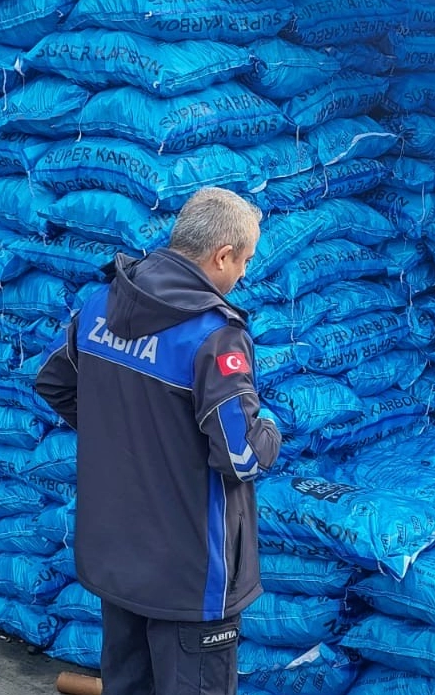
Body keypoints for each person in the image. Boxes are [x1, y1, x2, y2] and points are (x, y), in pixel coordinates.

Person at [35, 186, 282, 695]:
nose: (243, 276)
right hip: (189, 573)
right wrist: (272, 430)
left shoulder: (100, 303)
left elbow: (54, 383)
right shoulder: (213, 337)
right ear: (221, 255)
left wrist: (122, 433)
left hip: (117, 557)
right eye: (245, 261)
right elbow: (241, 455)